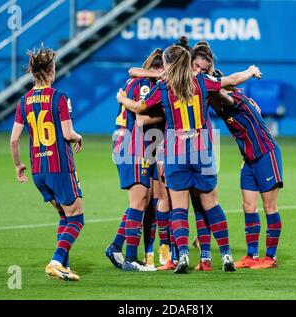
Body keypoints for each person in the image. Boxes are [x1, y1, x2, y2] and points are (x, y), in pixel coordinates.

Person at [117, 44, 262, 273]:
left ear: (168, 64)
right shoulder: (202, 82)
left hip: (176, 148)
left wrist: (122, 98)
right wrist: (250, 71)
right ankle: (225, 255)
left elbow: (139, 107)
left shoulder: (164, 87)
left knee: (180, 208)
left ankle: (182, 255)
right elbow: (231, 80)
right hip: (202, 145)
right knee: (211, 204)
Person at [9, 46, 84, 281]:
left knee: (64, 215)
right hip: (60, 167)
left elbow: (13, 140)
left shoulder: (24, 101)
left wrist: (18, 166)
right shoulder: (60, 97)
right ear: (51, 72)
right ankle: (55, 261)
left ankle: (63, 265)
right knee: (77, 218)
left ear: (34, 74)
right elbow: (67, 133)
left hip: (38, 171)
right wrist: (78, 136)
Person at [210, 69, 283, 269]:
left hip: (266, 154)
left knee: (269, 207)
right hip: (249, 159)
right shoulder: (223, 105)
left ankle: (270, 257)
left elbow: (219, 94)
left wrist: (210, 86)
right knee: (248, 206)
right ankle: (251, 255)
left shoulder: (235, 99)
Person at [105, 49, 164, 272]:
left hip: (139, 144)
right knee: (139, 201)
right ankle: (130, 258)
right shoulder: (146, 84)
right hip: (134, 143)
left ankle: (116, 247)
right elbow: (140, 119)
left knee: (144, 199)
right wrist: (168, 115)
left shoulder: (139, 80)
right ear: (158, 70)